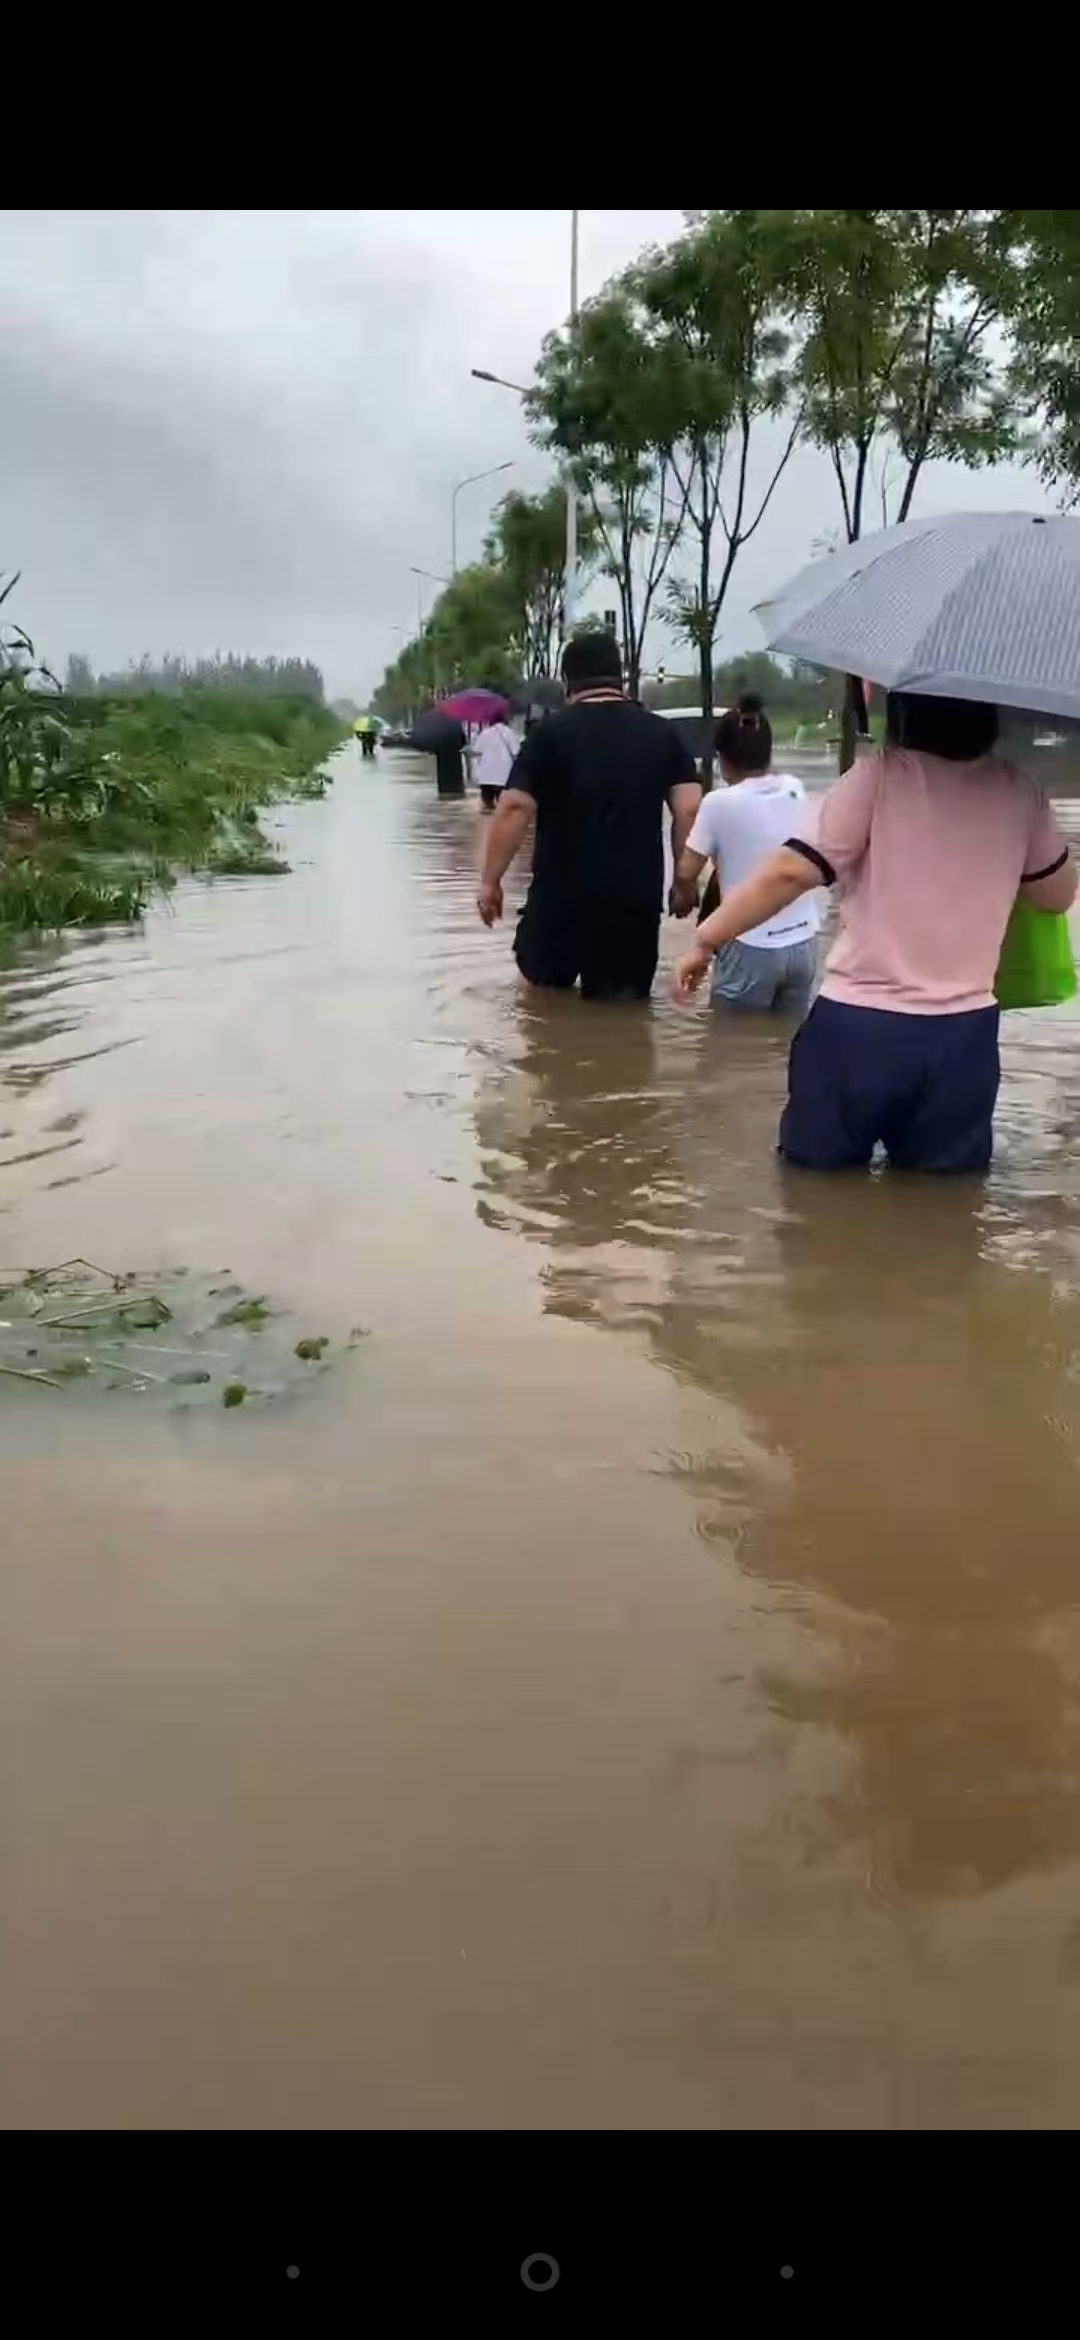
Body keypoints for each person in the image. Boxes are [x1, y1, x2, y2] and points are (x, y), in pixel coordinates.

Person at [673, 690, 1077, 1172]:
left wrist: (706, 939)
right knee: (941, 1212)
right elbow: (1056, 896)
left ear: (904, 710)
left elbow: (790, 873)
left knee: (813, 1198)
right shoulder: (1021, 792)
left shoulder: (877, 777)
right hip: (962, 1041)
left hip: (859, 1030)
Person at [477, 632, 702, 1002]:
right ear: (621, 679)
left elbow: (514, 807)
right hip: (634, 901)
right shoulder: (664, 734)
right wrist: (685, 881)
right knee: (623, 1019)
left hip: (559, 899)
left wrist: (490, 882)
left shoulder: (548, 735)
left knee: (545, 1006)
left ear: (568, 683)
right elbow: (689, 809)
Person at [670, 694, 821, 1016]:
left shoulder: (719, 802)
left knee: (730, 1054)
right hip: (803, 943)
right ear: (768, 752)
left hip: (748, 944)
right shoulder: (795, 787)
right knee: (784, 1046)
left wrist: (684, 892)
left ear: (722, 759)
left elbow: (686, 870)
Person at [471, 713, 519, 812]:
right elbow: (516, 751)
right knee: (503, 808)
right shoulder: (509, 732)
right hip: (504, 776)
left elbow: (476, 751)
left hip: (486, 776)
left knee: (487, 807)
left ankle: (487, 825)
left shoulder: (485, 733)